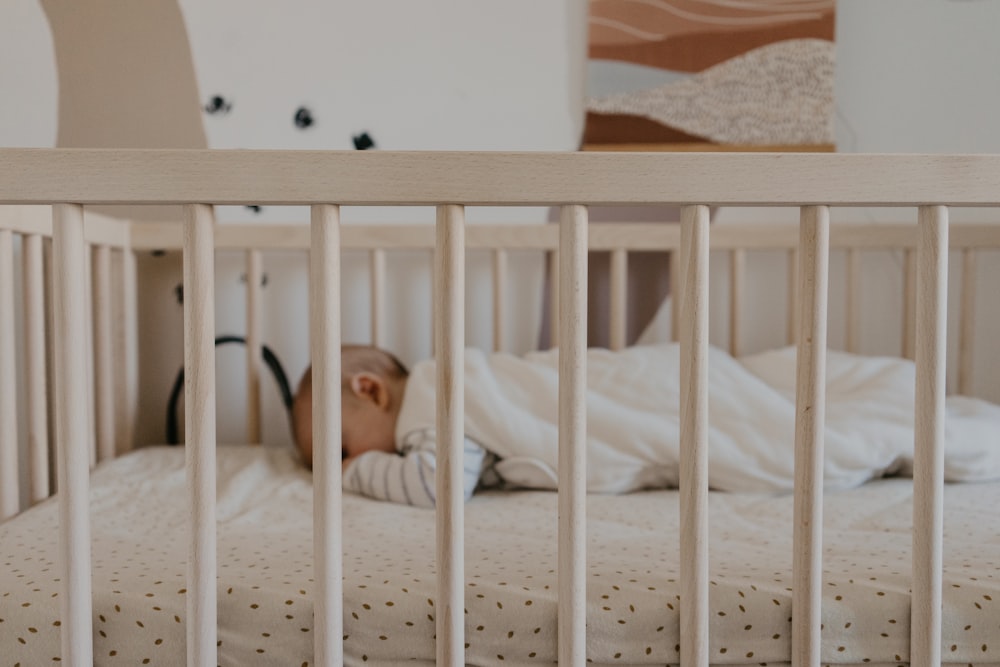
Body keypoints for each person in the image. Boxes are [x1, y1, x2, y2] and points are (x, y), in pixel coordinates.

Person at [292, 345, 496, 508]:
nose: (340, 465)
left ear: (369, 391)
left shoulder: (425, 401)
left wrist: (353, 471)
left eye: (342, 452)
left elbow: (443, 486)